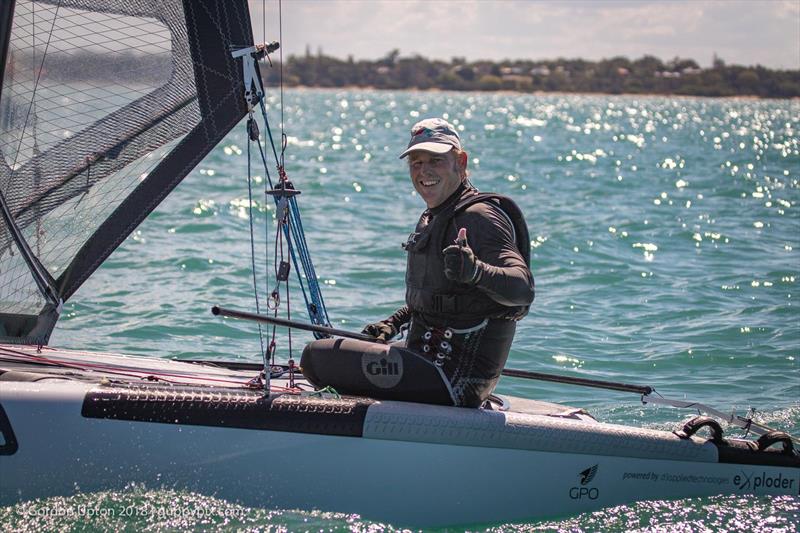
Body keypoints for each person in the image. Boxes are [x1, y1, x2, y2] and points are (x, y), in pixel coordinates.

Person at [301, 117, 534, 407]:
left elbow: (522, 288)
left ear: (460, 162)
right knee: (340, 346)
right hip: (425, 360)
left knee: (315, 358)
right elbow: (438, 298)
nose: (424, 171)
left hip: (452, 380)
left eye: (435, 161)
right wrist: (393, 322)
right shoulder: (436, 215)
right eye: (416, 162)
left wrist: (475, 271)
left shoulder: (480, 217)